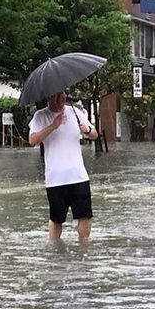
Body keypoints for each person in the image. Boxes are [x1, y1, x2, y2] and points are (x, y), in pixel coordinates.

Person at [28, 90, 99, 243]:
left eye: (64, 94)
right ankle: (54, 250)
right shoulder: (40, 116)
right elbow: (32, 140)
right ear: (49, 97)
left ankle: (84, 250)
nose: (62, 97)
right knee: (57, 218)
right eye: (57, 95)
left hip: (78, 175)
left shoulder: (75, 112)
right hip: (56, 178)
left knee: (85, 215)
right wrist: (53, 125)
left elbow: (95, 134)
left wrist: (86, 130)